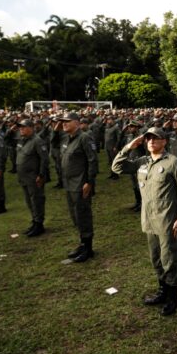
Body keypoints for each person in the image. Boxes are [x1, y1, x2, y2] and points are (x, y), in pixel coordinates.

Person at [112, 126, 177, 316]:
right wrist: (129, 147)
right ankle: (162, 291)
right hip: (148, 218)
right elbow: (117, 167)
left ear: (164, 141)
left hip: (167, 219)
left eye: (155, 139)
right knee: (156, 258)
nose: (151, 142)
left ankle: (173, 297)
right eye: (148, 139)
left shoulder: (174, 163)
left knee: (169, 258)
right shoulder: (143, 162)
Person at [57, 112, 98, 263]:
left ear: (77, 122)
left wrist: (89, 182)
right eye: (62, 122)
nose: (64, 124)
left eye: (67, 121)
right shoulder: (67, 138)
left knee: (83, 215)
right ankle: (82, 244)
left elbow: (92, 160)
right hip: (69, 183)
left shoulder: (84, 137)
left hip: (81, 183)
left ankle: (88, 248)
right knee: (75, 216)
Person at [15, 119, 49, 237]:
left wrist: (41, 175)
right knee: (29, 201)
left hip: (33, 177)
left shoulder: (37, 141)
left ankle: (39, 224)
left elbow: (44, 160)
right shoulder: (22, 140)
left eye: (23, 127)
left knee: (37, 200)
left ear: (31, 128)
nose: (21, 129)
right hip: (24, 177)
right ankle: (34, 221)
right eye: (20, 127)